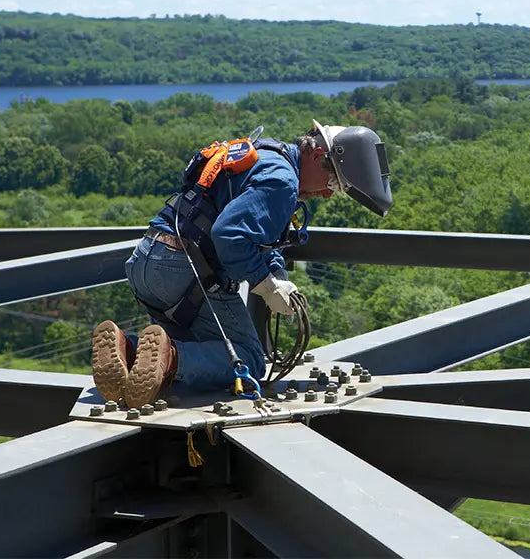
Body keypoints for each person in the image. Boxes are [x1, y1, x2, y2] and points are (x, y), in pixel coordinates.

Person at [91, 120, 392, 408]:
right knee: (248, 358)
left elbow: (257, 237)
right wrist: (265, 285)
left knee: (192, 350)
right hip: (186, 272)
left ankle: (125, 348)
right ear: (316, 154)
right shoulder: (282, 182)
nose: (327, 193)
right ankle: (171, 357)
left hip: (148, 260)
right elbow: (230, 236)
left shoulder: (267, 156)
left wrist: (278, 278)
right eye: (333, 181)